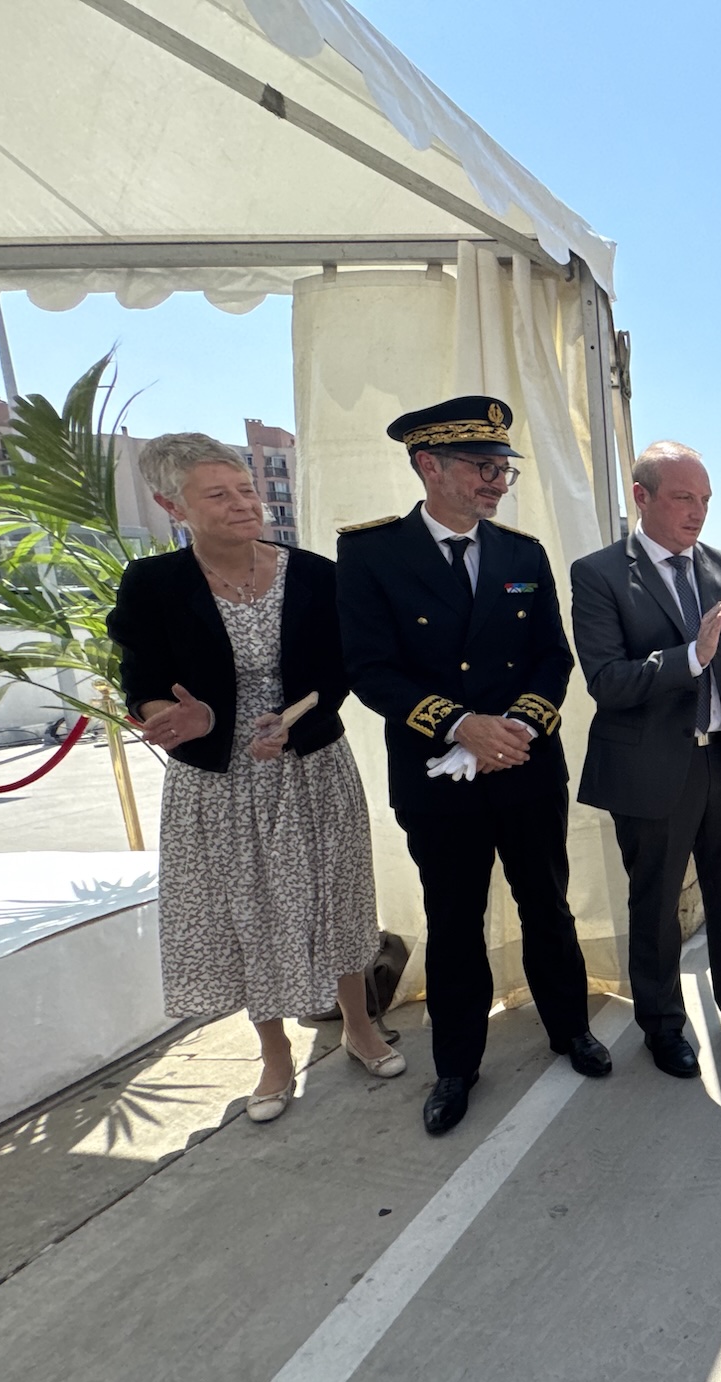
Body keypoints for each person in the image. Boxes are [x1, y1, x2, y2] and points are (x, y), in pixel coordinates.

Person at [337, 397, 609, 1136]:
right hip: (436, 777)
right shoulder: (370, 554)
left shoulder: (523, 555)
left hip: (523, 766)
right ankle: (457, 1066)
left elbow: (554, 658)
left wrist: (514, 729)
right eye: (483, 468)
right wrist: (459, 725)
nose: (498, 482)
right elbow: (369, 669)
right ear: (430, 465)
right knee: (453, 921)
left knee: (547, 906)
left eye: (503, 469)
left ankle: (569, 1030)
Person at [109, 432, 399, 1124]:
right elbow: (143, 681)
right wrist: (183, 716)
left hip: (310, 764)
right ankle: (273, 1056)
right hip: (217, 781)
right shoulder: (151, 586)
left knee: (337, 894)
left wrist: (299, 716)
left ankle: (357, 1024)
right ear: (169, 504)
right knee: (248, 915)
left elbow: (342, 671)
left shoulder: (315, 574)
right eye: (220, 495)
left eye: (246, 488)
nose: (245, 503)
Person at [569, 441, 721, 1078]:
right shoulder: (599, 574)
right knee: (657, 907)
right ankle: (663, 1026)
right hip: (650, 773)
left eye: (704, 500)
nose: (697, 513)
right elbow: (607, 681)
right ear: (641, 497)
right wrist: (689, 658)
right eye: (682, 499)